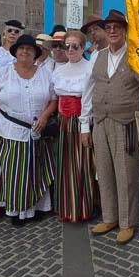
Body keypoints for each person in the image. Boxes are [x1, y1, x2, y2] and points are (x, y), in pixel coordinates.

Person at [80, 10, 139, 244]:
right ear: (104, 32)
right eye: (109, 28)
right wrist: (84, 127)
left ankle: (127, 222)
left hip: (125, 122)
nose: (113, 31)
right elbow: (87, 91)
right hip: (99, 122)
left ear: (125, 30)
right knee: (105, 173)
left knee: (126, 173)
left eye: (117, 27)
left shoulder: (136, 56)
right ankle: (109, 217)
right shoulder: (98, 55)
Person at [0, 34, 58, 225]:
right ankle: (16, 211)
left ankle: (37, 208)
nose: (25, 51)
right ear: (15, 52)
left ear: (35, 53)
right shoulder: (3, 73)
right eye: (21, 49)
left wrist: (44, 116)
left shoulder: (45, 74)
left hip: (37, 130)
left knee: (36, 171)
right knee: (15, 173)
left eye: (29, 49)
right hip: (11, 131)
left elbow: (53, 99)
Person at [52, 30, 98, 222]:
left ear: (83, 47)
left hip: (83, 121)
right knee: (65, 163)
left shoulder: (89, 68)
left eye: (75, 46)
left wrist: (86, 122)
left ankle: (84, 206)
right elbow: (54, 97)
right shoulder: (58, 69)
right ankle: (66, 205)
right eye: (67, 46)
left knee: (83, 164)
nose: (70, 50)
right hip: (63, 122)